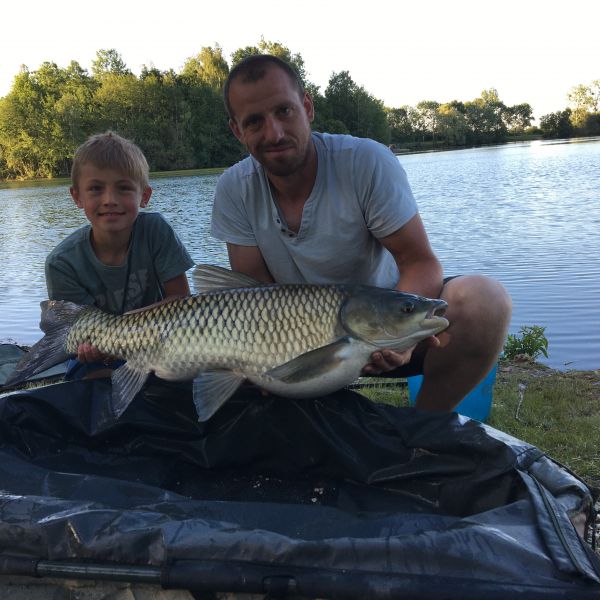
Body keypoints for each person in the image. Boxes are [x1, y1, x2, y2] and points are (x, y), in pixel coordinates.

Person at [210, 54, 512, 413]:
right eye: (254, 121)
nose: (274, 133)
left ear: (307, 107)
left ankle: (426, 427)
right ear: (237, 130)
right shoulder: (234, 188)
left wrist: (401, 340)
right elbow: (253, 295)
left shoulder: (366, 162)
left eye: (284, 111)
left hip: (385, 326)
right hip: (293, 349)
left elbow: (420, 263)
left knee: (485, 301)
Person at [45, 131, 194, 379]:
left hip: (161, 343)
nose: (110, 200)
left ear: (144, 196)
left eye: (124, 188)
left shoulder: (156, 230)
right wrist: (96, 347)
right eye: (95, 189)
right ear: (77, 197)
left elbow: (180, 299)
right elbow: (74, 328)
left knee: (195, 375)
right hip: (98, 357)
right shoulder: (61, 263)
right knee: (95, 378)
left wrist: (130, 331)